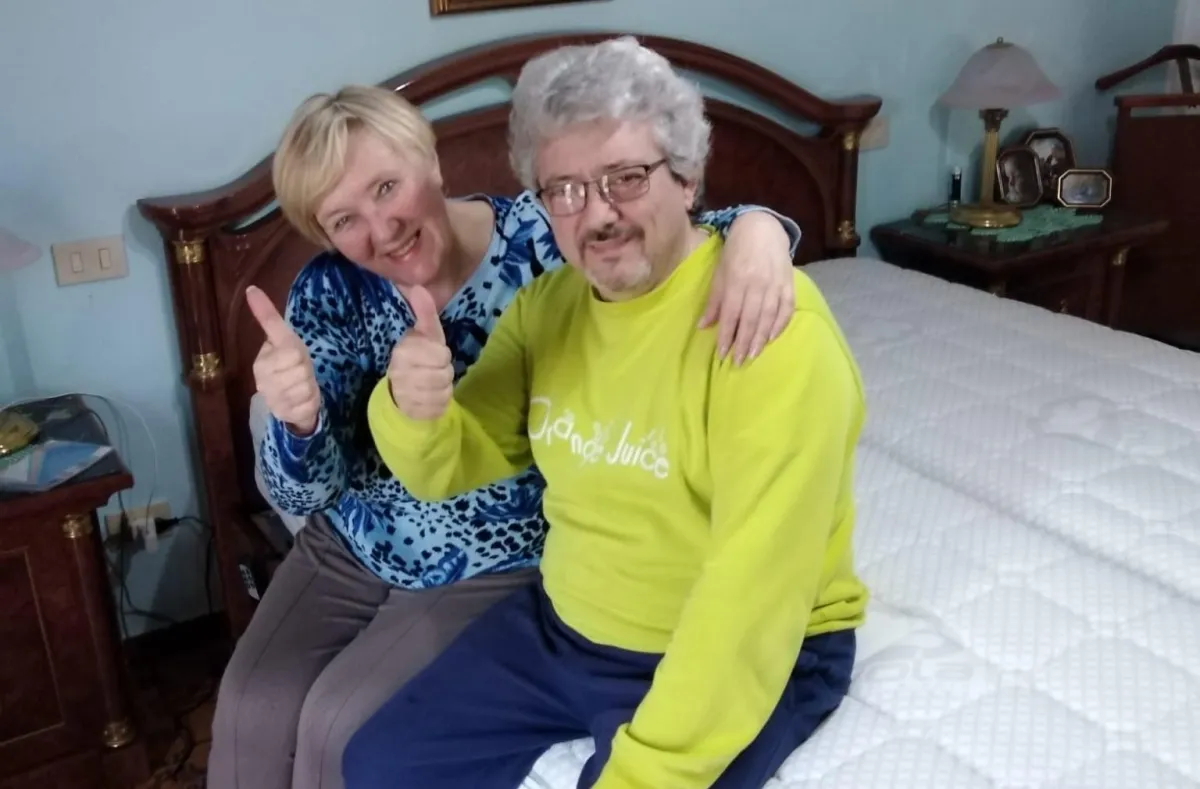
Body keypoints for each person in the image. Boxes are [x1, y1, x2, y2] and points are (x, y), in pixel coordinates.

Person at [210, 72, 806, 789]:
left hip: (490, 553)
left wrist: (761, 231)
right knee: (249, 702)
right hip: (350, 542)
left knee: (339, 725)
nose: (381, 228)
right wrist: (296, 421)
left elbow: (665, 225)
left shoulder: (541, 236)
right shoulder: (329, 289)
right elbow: (304, 491)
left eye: (386, 187)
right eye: (343, 219)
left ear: (431, 162)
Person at [349, 36, 867, 789]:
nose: (597, 215)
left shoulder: (770, 327)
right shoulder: (547, 307)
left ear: (687, 178)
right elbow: (448, 465)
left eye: (625, 178)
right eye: (564, 189)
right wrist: (410, 403)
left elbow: (753, 590)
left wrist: (641, 773)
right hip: (566, 628)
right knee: (378, 763)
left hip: (755, 645)